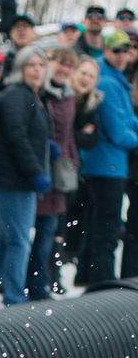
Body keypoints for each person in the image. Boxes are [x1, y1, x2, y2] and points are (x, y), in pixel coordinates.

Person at [0, 46, 52, 304]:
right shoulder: (15, 95)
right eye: (31, 64)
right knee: (19, 241)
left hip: (18, 180)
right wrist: (35, 172)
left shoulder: (30, 96)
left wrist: (48, 148)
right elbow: (16, 137)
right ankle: (13, 298)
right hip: (10, 181)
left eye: (41, 65)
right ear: (20, 69)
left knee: (10, 239)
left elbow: (29, 134)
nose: (37, 69)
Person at [78, 31, 138, 284]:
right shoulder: (109, 83)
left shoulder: (114, 78)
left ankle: (92, 275)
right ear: (105, 51)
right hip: (107, 165)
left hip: (108, 164)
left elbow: (130, 120)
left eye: (125, 50)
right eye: (116, 50)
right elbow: (118, 133)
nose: (122, 55)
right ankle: (102, 280)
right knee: (107, 227)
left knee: (100, 224)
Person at [26, 49, 78, 299]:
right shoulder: (39, 92)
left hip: (60, 172)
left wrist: (72, 161)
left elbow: (69, 134)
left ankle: (41, 281)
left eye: (69, 65)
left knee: (48, 232)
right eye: (60, 63)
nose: (64, 69)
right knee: (28, 231)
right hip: (39, 168)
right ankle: (27, 282)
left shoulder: (68, 96)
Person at [66, 56, 103, 281]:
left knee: (80, 219)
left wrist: (77, 137)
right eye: (83, 73)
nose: (85, 79)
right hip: (60, 170)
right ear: (74, 72)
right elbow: (66, 137)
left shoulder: (90, 105)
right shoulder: (64, 99)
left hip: (76, 171)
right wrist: (79, 135)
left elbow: (93, 139)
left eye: (91, 76)